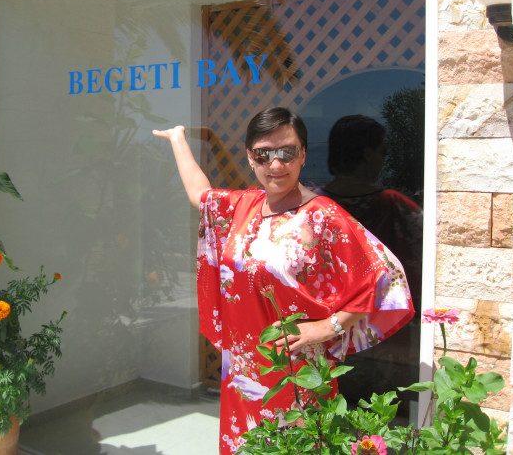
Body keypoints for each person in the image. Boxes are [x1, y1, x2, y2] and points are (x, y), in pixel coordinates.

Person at [153, 107, 414, 455]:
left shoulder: (322, 215)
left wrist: (326, 328)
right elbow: (200, 195)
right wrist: (178, 139)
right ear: (250, 157)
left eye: (287, 152)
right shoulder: (244, 206)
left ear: (303, 154)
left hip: (296, 371)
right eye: (264, 154)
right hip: (243, 371)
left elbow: (385, 278)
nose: (275, 164)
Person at [312, 114, 423, 415]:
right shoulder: (393, 205)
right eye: (383, 152)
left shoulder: (310, 207)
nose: (384, 160)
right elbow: (417, 268)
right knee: (380, 418)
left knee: (323, 413)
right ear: (367, 154)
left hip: (321, 332)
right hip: (380, 336)